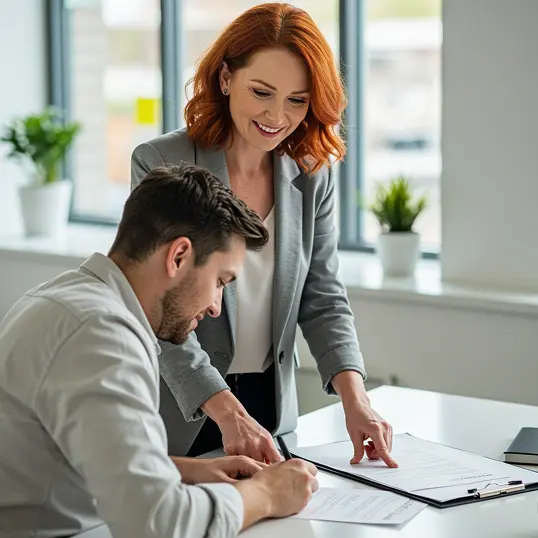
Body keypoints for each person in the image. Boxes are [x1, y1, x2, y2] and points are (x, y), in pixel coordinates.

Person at [131, 2, 397, 468]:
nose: (278, 115)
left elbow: (323, 295)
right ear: (226, 78)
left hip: (272, 413)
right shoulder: (161, 162)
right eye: (262, 92)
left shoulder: (312, 174)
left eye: (297, 99)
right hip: (180, 408)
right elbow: (156, 306)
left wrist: (356, 400)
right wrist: (228, 411)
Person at [0, 164, 318, 538]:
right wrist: (265, 493)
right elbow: (158, 525)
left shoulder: (64, 299)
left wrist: (179, 470)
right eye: (220, 281)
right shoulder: (103, 335)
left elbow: (70, 457)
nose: (216, 305)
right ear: (179, 256)